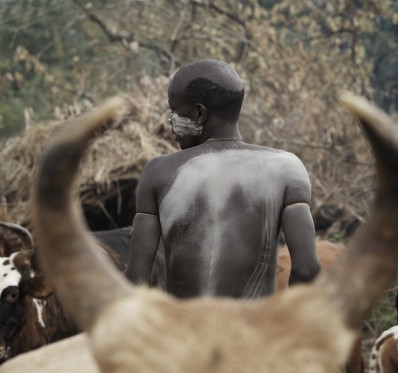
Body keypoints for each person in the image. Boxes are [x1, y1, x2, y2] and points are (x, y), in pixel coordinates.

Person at [125, 59, 320, 299]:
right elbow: (306, 269)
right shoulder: (288, 168)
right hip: (253, 332)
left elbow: (136, 280)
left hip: (184, 333)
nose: (171, 121)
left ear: (199, 114)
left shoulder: (158, 172)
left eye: (175, 111)